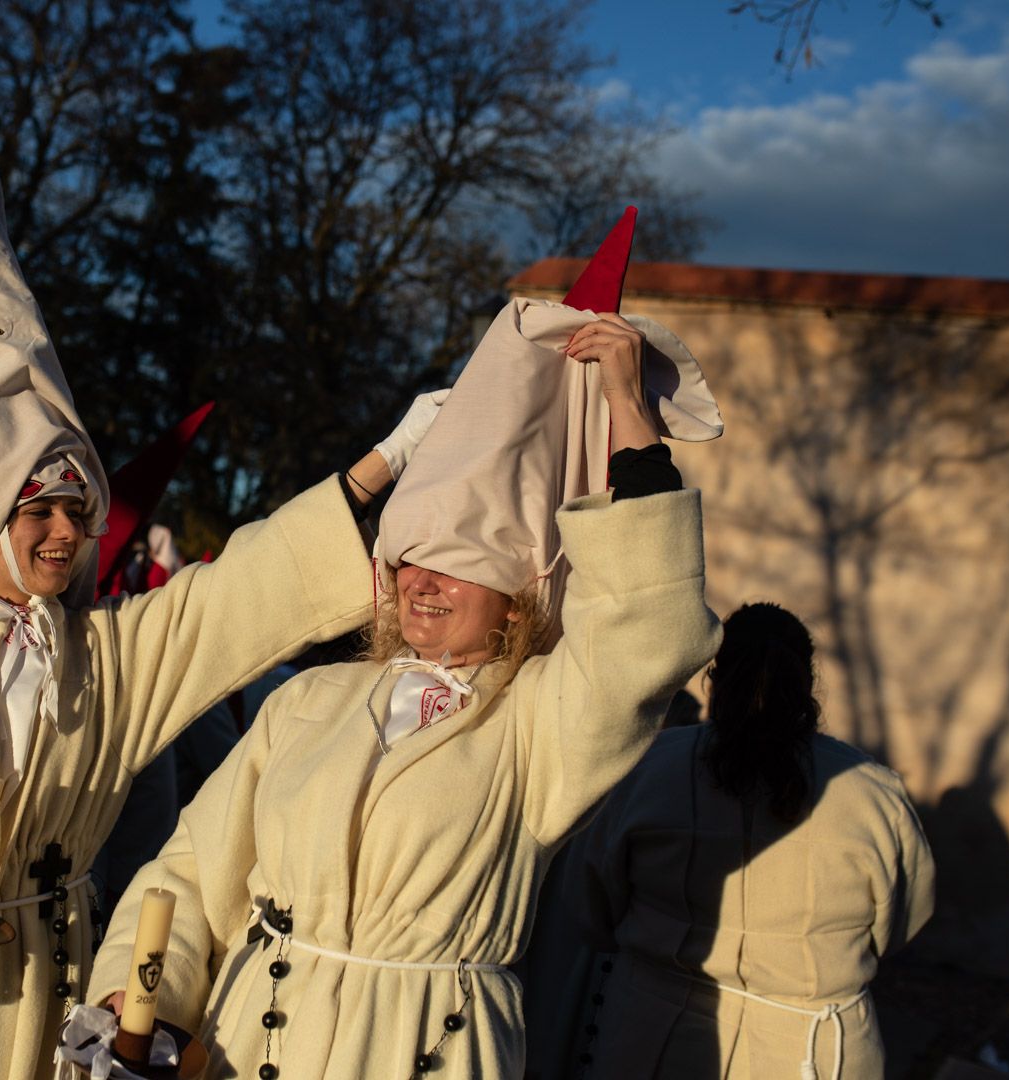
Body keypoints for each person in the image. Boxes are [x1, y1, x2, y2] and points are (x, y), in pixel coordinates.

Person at [0, 141, 433, 1080]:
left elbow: (241, 589)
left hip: (39, 1006)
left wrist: (382, 464)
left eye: (81, 511)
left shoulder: (105, 658)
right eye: (40, 511)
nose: (67, 534)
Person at [87, 210, 725, 1078]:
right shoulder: (309, 702)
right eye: (409, 559)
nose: (423, 583)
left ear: (516, 603)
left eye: (459, 568)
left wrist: (624, 411)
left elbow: (648, 630)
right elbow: (194, 871)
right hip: (247, 1046)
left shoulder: (538, 722)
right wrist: (139, 995)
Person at [573, 602, 935, 1080]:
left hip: (651, 1034)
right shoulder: (871, 791)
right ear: (806, 683)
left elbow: (591, 906)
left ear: (714, 678)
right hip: (813, 1051)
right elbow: (902, 921)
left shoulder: (646, 770)